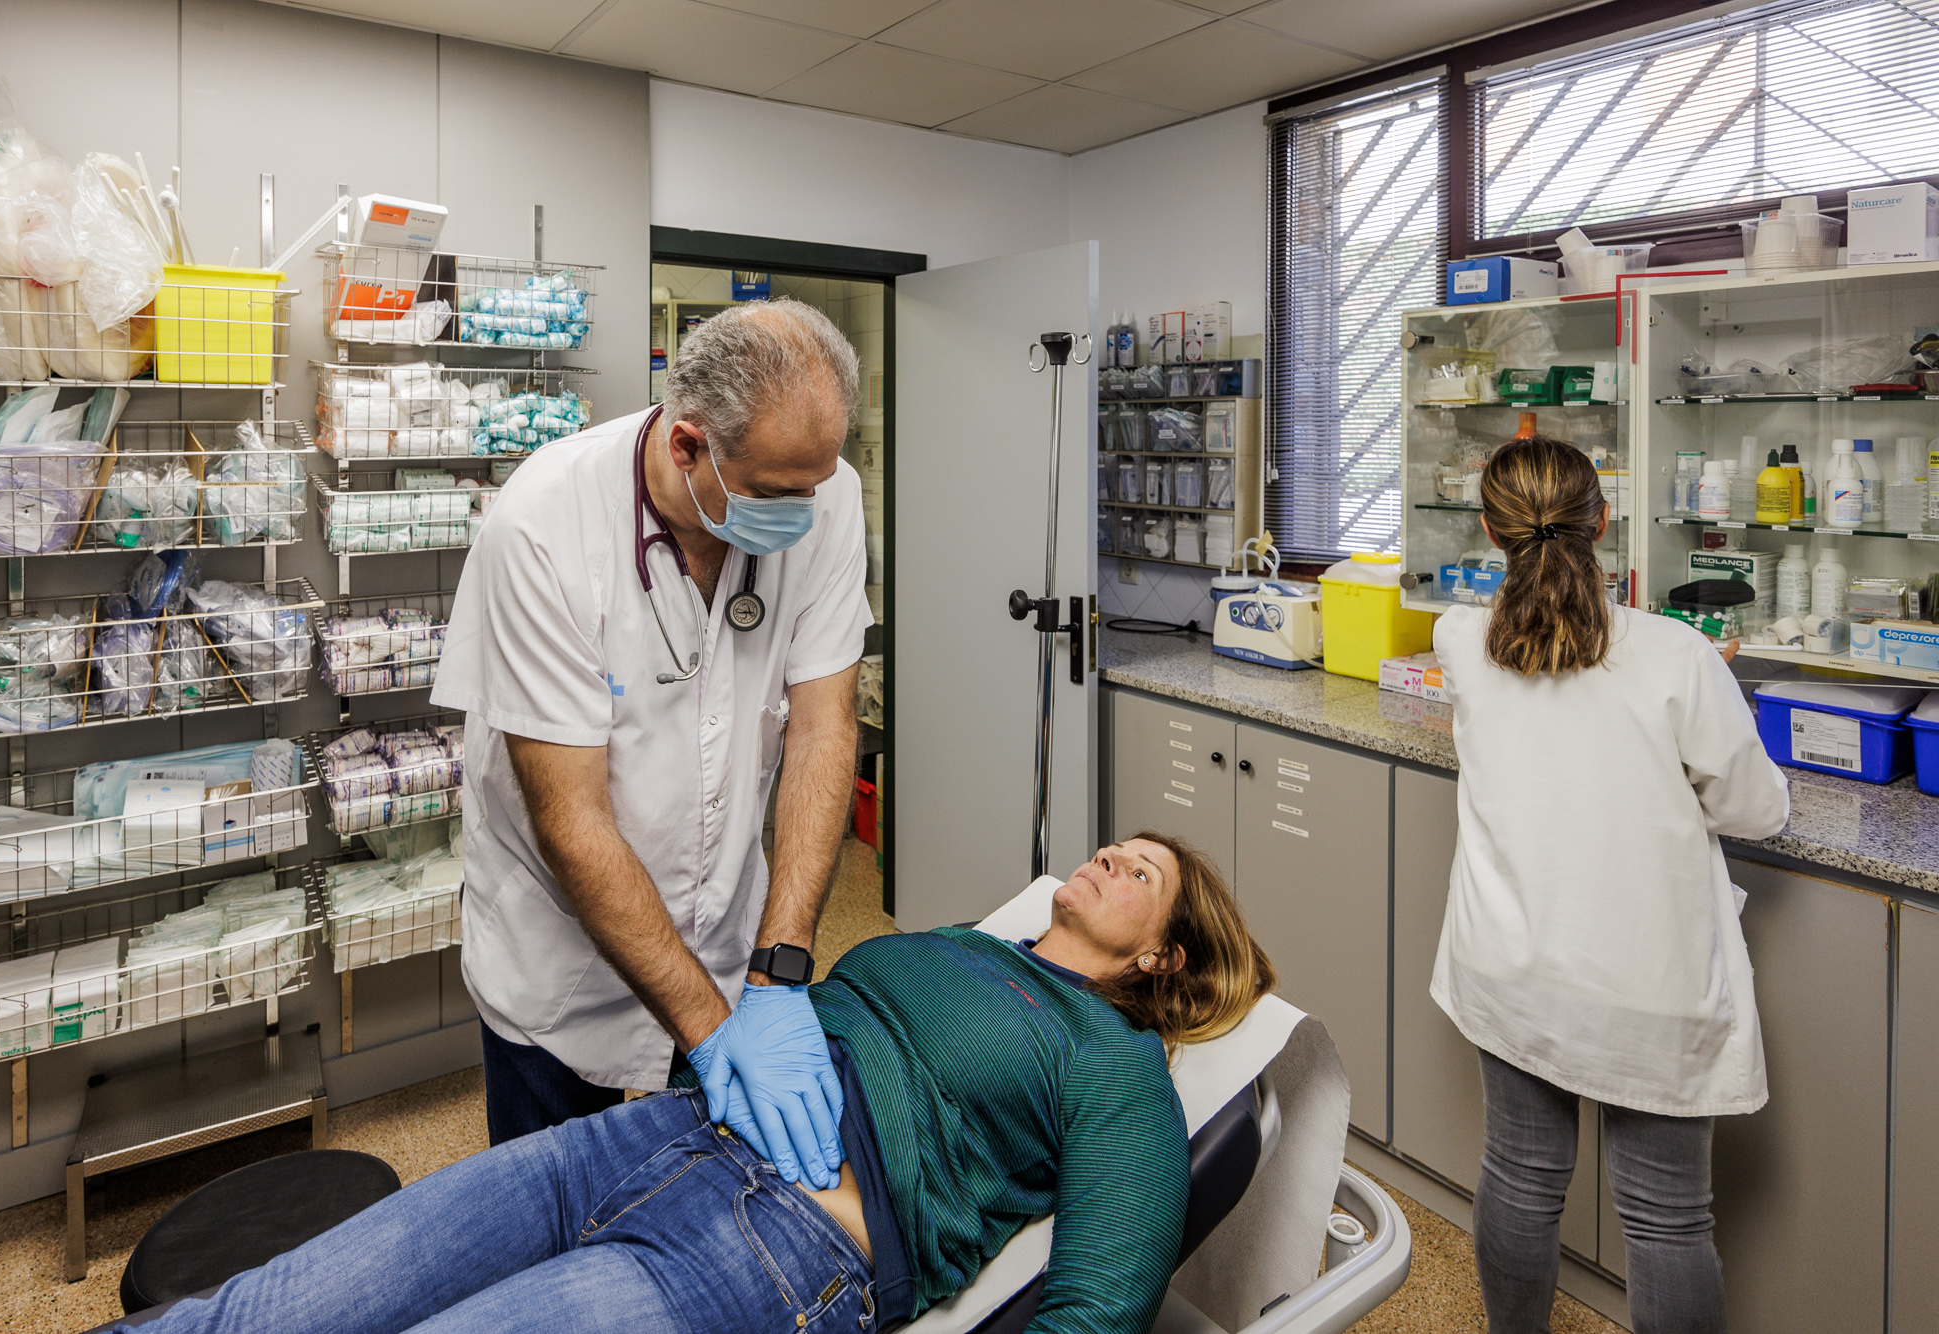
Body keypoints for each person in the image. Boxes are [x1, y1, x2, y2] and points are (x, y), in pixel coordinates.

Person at [120, 835, 1277, 1334]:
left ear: (1158, 956)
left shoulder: (1114, 1062)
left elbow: (1096, 1303)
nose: (1114, 854)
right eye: (1118, 841)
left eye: (1145, 872)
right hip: (639, 1142)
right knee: (259, 1311)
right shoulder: (969, 943)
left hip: (773, 1243)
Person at [431, 299, 873, 1190]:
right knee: (547, 1212)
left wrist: (780, 973)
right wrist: (711, 1033)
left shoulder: (823, 495)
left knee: (701, 1198)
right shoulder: (544, 526)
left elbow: (826, 725)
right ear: (687, 446)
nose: (805, 511)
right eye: (778, 494)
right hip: (560, 958)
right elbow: (572, 820)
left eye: (816, 488)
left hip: (724, 926)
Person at [1430, 436, 1789, 1334]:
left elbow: (1553, 692)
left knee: (1519, 1177)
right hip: (1643, 982)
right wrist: (1715, 688)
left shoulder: (1459, 638)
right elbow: (1756, 810)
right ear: (1603, 520)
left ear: (1488, 529)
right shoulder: (1677, 656)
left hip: (1512, 962)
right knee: (1666, 1219)